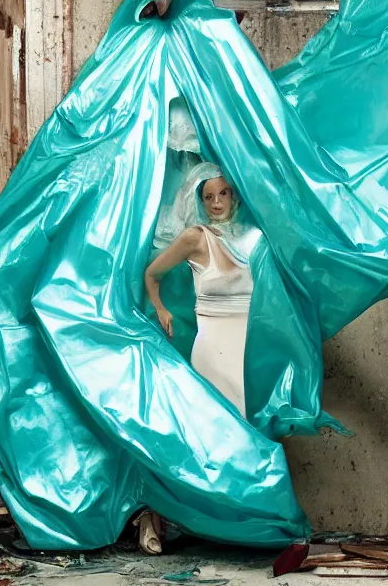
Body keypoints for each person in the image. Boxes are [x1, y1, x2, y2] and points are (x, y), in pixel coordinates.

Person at [136, 164, 256, 554]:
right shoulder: (194, 237)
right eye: (209, 196)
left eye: (223, 194)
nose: (217, 203)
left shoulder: (253, 238)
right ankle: (153, 515)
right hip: (213, 346)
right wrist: (160, 308)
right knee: (204, 436)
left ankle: (226, 525)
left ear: (235, 196)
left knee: (241, 436)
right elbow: (152, 274)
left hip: (245, 347)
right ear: (199, 201)